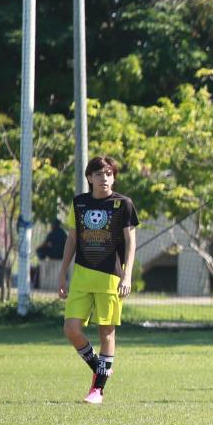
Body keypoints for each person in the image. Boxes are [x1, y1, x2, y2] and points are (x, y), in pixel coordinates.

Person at [58, 156, 139, 405]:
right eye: (99, 174)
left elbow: (131, 243)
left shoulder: (123, 204)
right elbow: (72, 239)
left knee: (107, 332)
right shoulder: (79, 203)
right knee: (71, 329)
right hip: (82, 276)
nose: (104, 178)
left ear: (114, 178)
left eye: (109, 174)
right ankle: (99, 367)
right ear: (89, 178)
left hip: (110, 278)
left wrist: (127, 275)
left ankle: (97, 390)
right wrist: (62, 273)